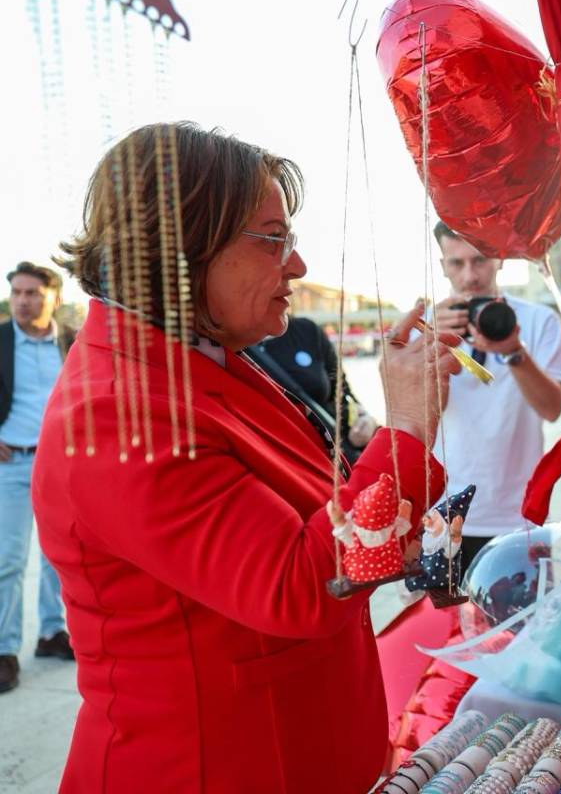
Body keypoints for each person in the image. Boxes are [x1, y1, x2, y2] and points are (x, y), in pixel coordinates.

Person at [36, 122, 461, 792]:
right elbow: (300, 587)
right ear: (183, 246)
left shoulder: (195, 359)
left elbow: (314, 520)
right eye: (272, 240)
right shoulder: (119, 409)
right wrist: (405, 428)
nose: (297, 265)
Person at [431, 221, 561, 567]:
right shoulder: (427, 325)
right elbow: (422, 417)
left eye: (479, 260)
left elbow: (552, 409)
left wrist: (513, 351)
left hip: (518, 512)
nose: (470, 276)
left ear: (499, 259)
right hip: (441, 514)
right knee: (444, 606)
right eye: (457, 263)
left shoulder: (538, 321)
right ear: (443, 266)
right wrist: (431, 345)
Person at [0, 262, 76, 694]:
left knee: (57, 556)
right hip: (11, 463)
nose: (23, 301)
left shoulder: (72, 342)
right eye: (17, 293)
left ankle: (52, 633)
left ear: (55, 298)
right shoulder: (0, 339)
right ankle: (4, 650)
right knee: (7, 560)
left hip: (59, 465)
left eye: (32, 293)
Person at [248, 314, 378, 463]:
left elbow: (342, 392)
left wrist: (364, 419)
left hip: (334, 455)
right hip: (280, 460)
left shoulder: (307, 330)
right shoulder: (234, 346)